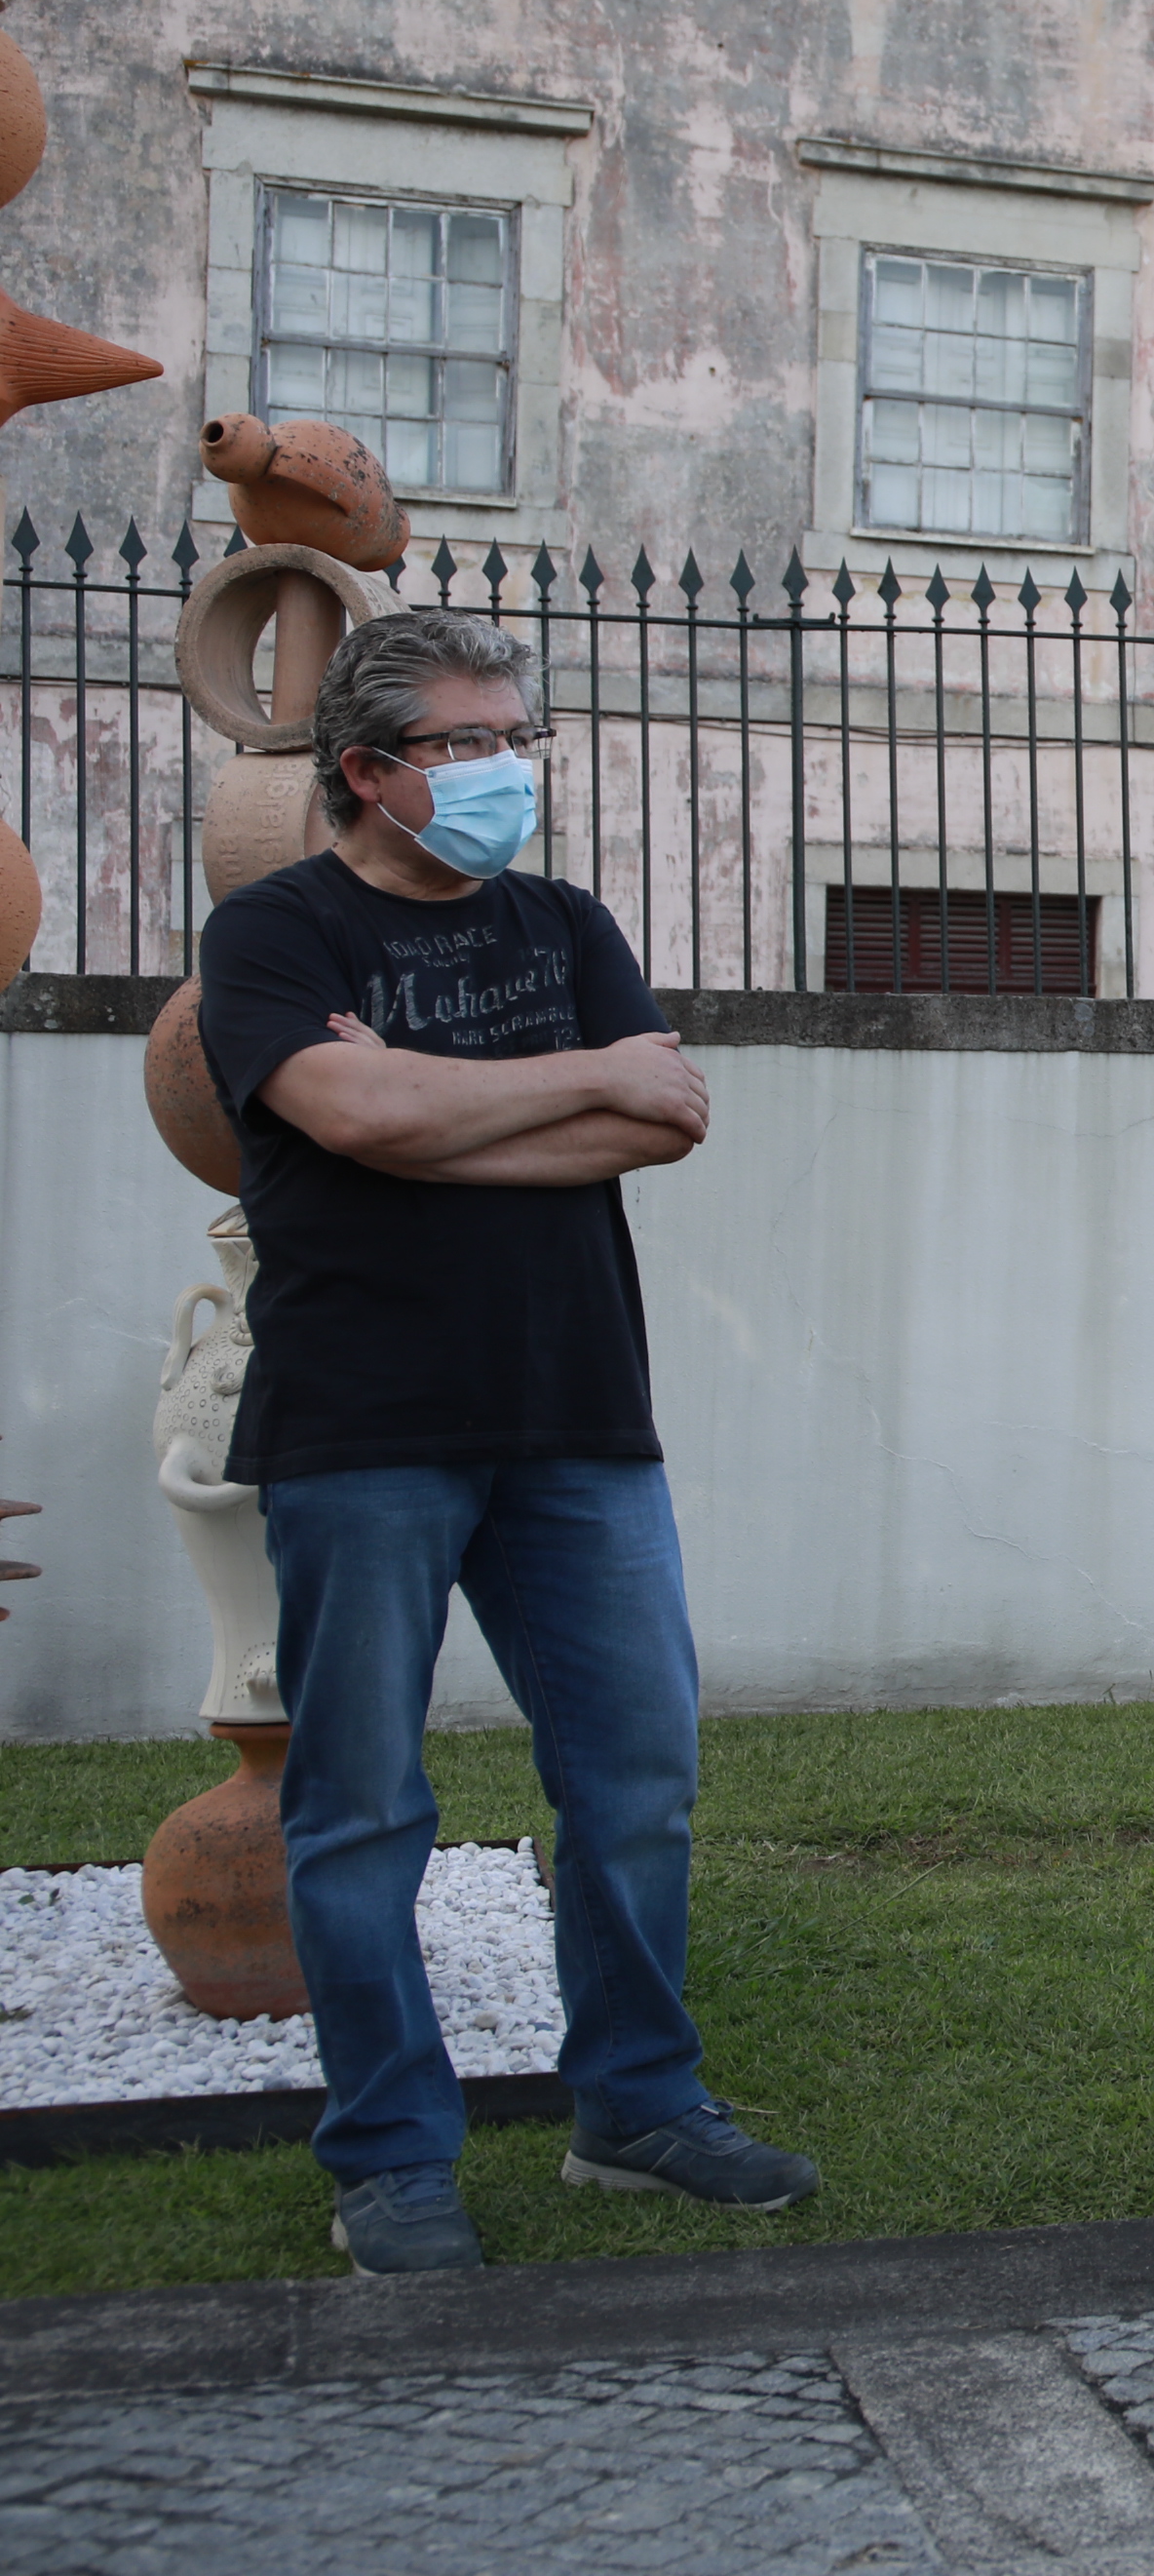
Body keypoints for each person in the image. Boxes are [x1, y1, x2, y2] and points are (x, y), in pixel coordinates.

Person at [197, 609, 817, 2276]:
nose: (503, 773)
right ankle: (391, 2157)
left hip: (576, 1421)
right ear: (367, 773)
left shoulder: (565, 921)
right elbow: (352, 1115)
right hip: (359, 1426)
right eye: (467, 746)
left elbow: (664, 1116)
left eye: (515, 739)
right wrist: (555, 1083)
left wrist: (426, 1114)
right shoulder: (272, 935)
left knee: (635, 1782)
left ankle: (636, 2107)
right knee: (360, 1809)